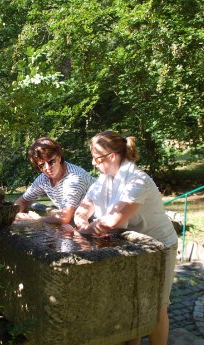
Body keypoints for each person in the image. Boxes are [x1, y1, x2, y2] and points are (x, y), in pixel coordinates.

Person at [74, 131, 178, 345]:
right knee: (131, 303)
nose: (93, 164)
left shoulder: (137, 181)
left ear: (111, 156)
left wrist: (85, 230)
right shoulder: (103, 182)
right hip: (130, 248)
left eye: (96, 158)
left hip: (160, 247)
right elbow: (81, 210)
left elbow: (111, 221)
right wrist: (84, 223)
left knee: (156, 307)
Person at [14, 137, 96, 225]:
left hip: (100, 220)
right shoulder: (43, 179)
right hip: (81, 220)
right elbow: (22, 201)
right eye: (41, 165)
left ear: (59, 157)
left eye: (51, 162)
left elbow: (64, 218)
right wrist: (18, 215)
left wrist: (37, 219)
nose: (47, 168)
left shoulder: (74, 178)